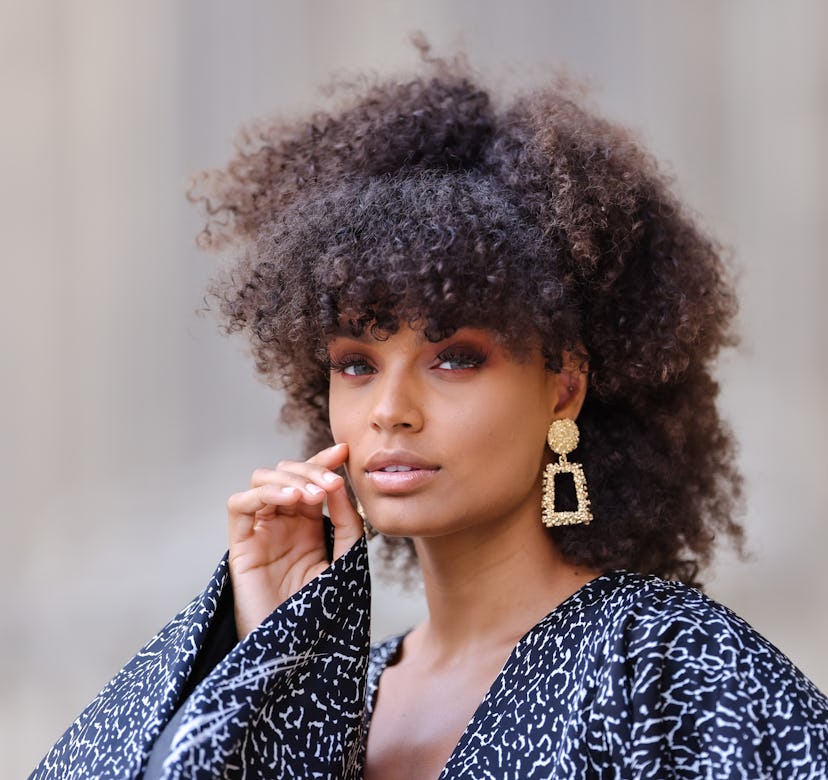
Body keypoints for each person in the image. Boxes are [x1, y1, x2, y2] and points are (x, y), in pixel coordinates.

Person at [32, 48, 828, 779]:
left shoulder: (670, 667)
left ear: (564, 388)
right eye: (356, 364)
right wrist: (268, 660)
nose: (390, 411)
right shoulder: (345, 684)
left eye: (455, 358)